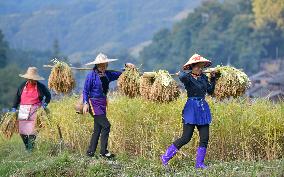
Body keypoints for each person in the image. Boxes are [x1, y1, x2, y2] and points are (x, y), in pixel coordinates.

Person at [160, 54, 216, 169]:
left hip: (202, 108)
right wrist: (180, 74)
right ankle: (165, 157)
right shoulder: (188, 78)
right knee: (186, 137)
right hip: (191, 109)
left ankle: (199, 164)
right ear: (193, 67)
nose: (201, 69)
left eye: (202, 67)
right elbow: (182, 77)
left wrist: (213, 78)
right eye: (198, 67)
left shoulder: (204, 78)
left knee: (205, 138)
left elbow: (210, 91)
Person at [83, 53, 135, 158]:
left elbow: (121, 73)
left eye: (104, 64)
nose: (103, 67)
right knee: (106, 125)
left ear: (106, 64)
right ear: (97, 65)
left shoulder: (107, 74)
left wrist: (127, 66)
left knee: (98, 129)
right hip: (93, 104)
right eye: (100, 65)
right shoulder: (91, 76)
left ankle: (90, 152)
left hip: (103, 103)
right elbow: (85, 91)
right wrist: (85, 103)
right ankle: (103, 152)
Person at [12, 67, 51, 152]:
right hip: (23, 109)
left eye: (32, 79)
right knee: (22, 131)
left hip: (35, 109)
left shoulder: (40, 86)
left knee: (33, 130)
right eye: (29, 79)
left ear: (36, 79)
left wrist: (45, 104)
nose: (31, 80)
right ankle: (27, 146)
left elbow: (48, 96)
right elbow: (17, 97)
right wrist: (14, 107)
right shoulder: (22, 86)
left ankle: (31, 148)